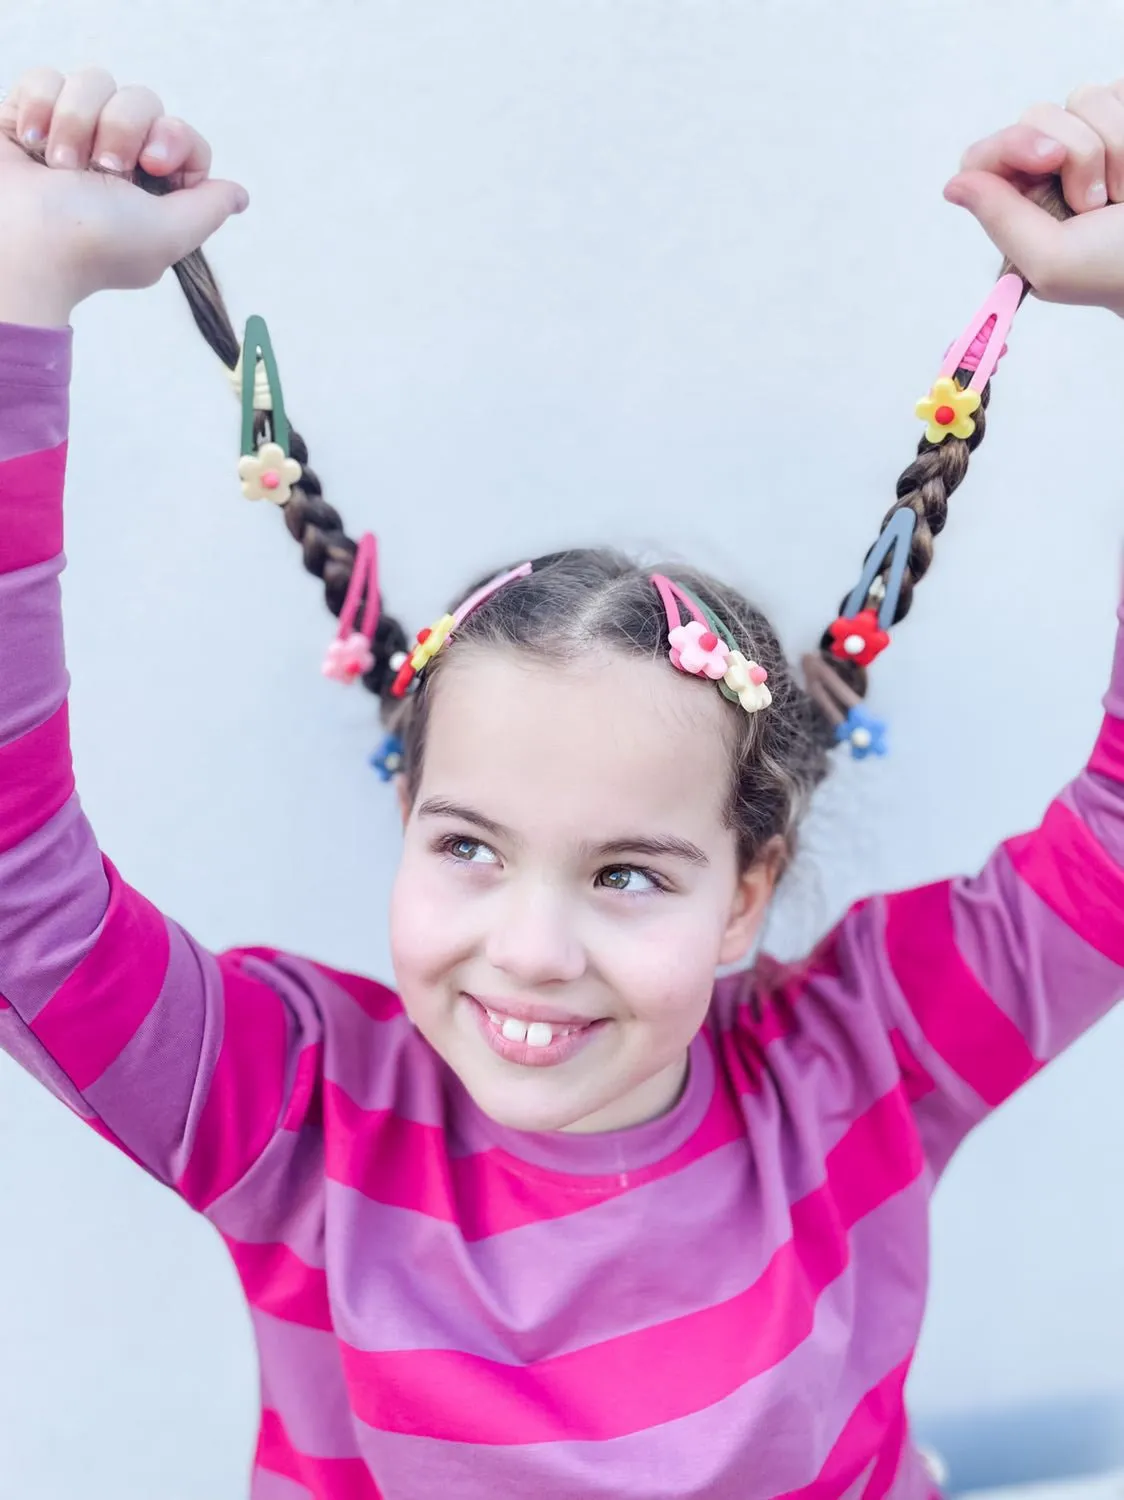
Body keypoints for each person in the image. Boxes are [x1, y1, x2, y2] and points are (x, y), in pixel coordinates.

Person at [1, 62, 1123, 1500]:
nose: (530, 950)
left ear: (746, 893)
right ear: (406, 818)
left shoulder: (864, 1063)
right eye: (469, 847)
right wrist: (28, 287)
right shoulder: (292, 1111)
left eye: (629, 873)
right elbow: (26, 905)